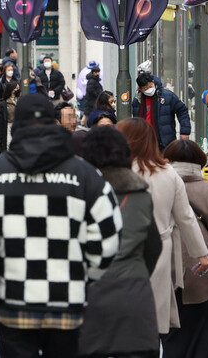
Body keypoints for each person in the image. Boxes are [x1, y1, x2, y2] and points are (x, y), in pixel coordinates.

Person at [0, 94, 122, 358]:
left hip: (12, 302)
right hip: (68, 301)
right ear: (54, 124)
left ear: (16, 126)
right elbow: (109, 239)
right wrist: (83, 275)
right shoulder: (86, 176)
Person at [116, 118, 208, 335]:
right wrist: (201, 254)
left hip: (121, 253)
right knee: (153, 320)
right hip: (159, 252)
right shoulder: (168, 173)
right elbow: (185, 217)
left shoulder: (115, 173)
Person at [78, 126, 162, 358]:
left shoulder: (77, 194)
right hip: (134, 298)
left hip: (87, 298)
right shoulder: (141, 195)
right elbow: (154, 247)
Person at [161, 140, 208, 358]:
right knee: (205, 338)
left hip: (167, 273)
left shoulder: (159, 187)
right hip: (204, 274)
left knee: (173, 336)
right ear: (199, 161)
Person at [132, 72, 191, 150]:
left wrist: (185, 131)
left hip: (164, 142)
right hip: (145, 143)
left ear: (153, 82)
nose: (149, 90)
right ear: (140, 89)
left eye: (150, 86)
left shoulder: (167, 96)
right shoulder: (138, 100)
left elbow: (182, 111)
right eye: (145, 88)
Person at [0, 80, 20, 151]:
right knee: (8, 144)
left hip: (18, 126)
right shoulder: (4, 104)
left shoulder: (21, 100)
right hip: (8, 126)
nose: (18, 90)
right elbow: (0, 121)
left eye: (18, 88)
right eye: (16, 88)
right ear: (11, 90)